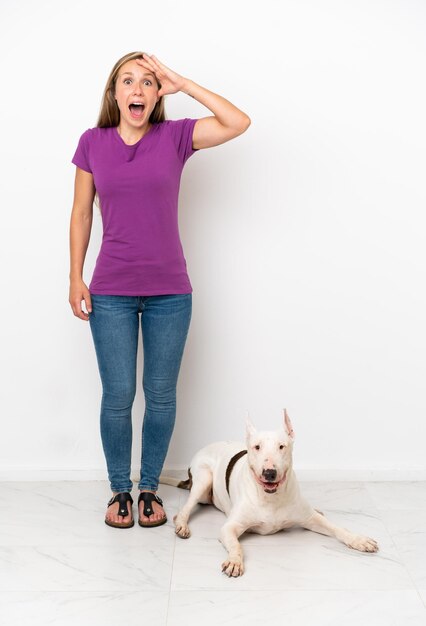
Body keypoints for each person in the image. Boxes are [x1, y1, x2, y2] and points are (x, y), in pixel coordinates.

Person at [69, 51, 250, 529]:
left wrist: (183, 81)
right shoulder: (93, 142)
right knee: (118, 394)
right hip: (110, 291)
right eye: (128, 81)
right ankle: (119, 492)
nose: (137, 90)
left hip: (171, 291)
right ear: (114, 94)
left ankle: (149, 488)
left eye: (148, 83)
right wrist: (75, 275)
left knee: (161, 394)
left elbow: (238, 122)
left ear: (156, 95)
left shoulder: (174, 137)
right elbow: (82, 213)